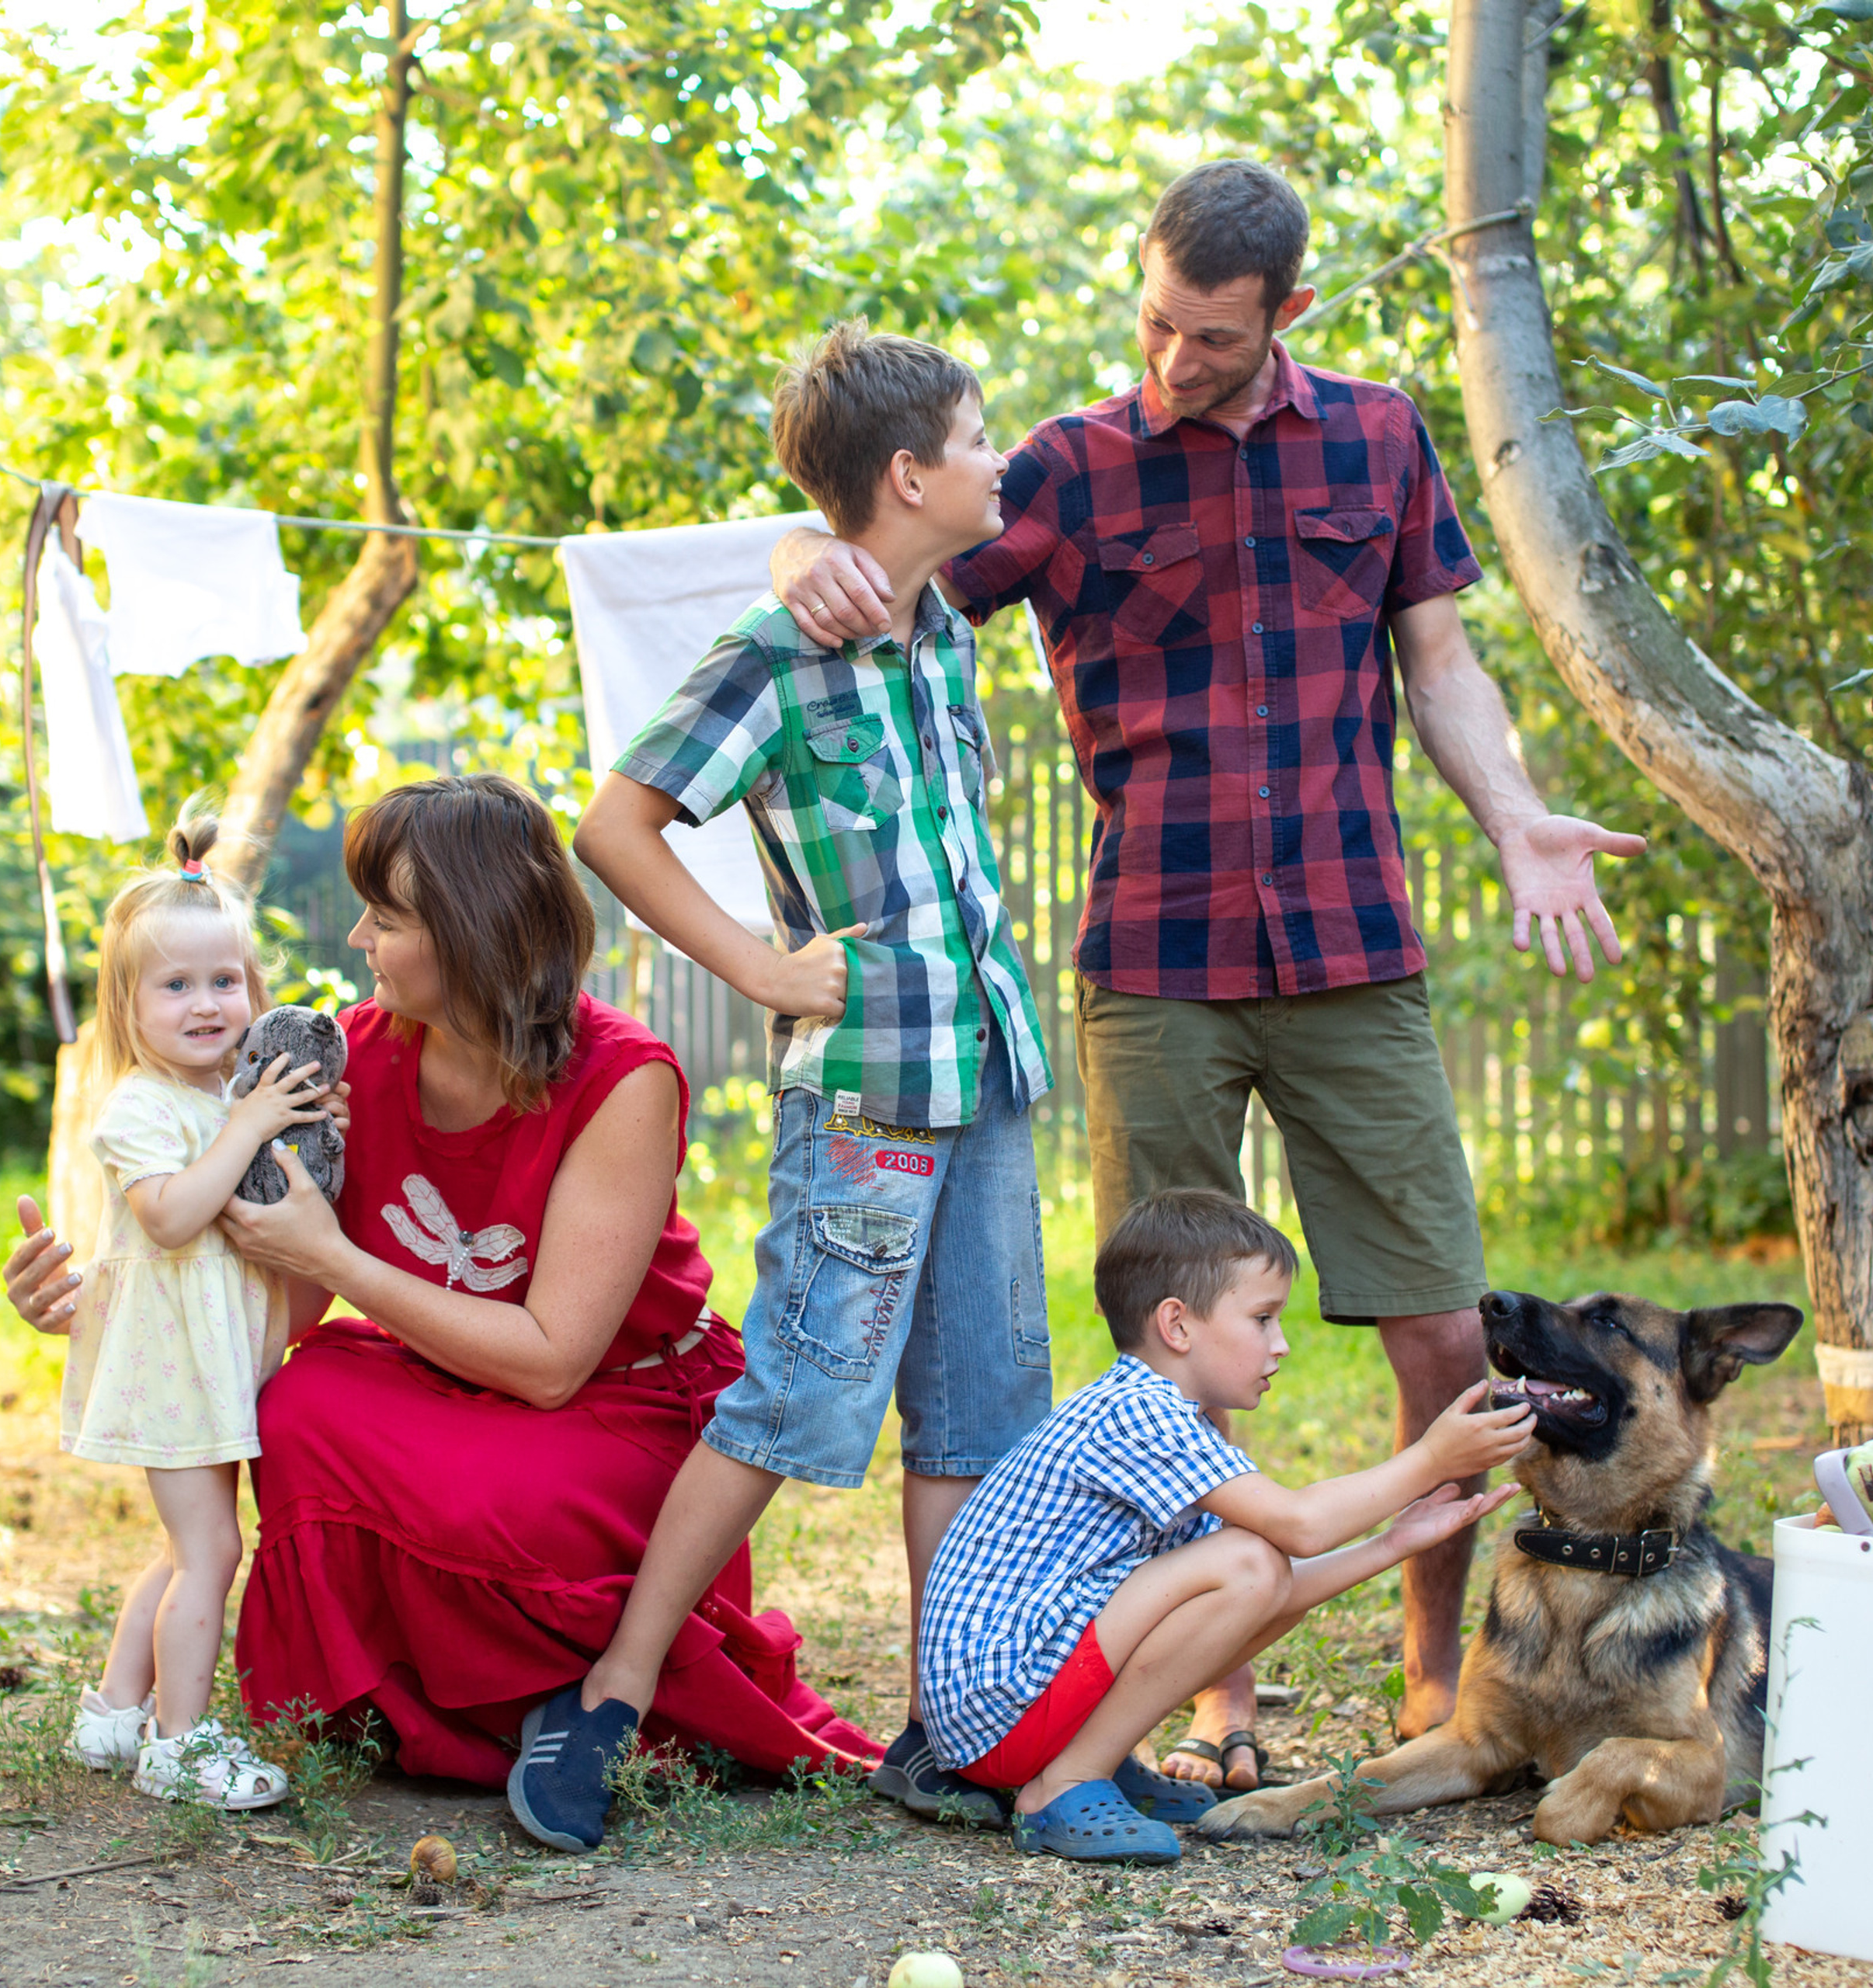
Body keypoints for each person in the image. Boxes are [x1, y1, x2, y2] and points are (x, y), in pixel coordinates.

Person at [770, 160, 1645, 1780]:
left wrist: (1518, 819)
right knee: (1180, 1344)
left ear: (1285, 317)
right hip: (1152, 959)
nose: (1173, 359)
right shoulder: (1068, 466)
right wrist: (791, 567)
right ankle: (1216, 1689)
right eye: (1157, 322)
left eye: (1212, 338)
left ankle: (1427, 1664)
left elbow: (1437, 664)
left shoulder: (1374, 436)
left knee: (1444, 1333)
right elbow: (883, 561)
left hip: (1347, 944)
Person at [5, 774, 872, 1792]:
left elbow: (553, 1365)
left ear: (470, 930)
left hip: (618, 1405)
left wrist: (335, 1257)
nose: (360, 942)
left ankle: (556, 1699)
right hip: (446, 1381)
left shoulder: (622, 1077)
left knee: (483, 1490)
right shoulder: (345, 1060)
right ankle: (405, 1699)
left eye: (387, 917)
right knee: (300, 1408)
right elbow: (276, 1308)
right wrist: (108, 1310)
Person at [544, 320, 1111, 1853]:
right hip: (860, 1088)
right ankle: (606, 1694)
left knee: (979, 1415)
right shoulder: (776, 649)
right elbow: (614, 825)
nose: (1004, 456)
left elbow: (964, 518)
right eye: (978, 435)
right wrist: (755, 962)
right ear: (913, 471)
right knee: (796, 1401)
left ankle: (951, 1727)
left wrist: (817, 535)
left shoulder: (942, 626)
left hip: (981, 1063)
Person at [917, 1189, 1532, 1864]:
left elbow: (1271, 1589)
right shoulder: (1139, 1414)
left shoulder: (1173, 1418)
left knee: (1252, 1569)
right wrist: (1430, 1459)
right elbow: (1296, 1529)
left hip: (1020, 1707)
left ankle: (1097, 1753)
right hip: (998, 1713)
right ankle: (1062, 1784)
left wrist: (1393, 1543)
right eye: (1263, 1319)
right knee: (1247, 1559)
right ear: (1177, 1326)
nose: (1282, 1344)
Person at [62, 810, 331, 1809]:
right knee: (213, 1551)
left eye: (226, 981)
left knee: (189, 1546)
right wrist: (250, 1120)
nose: (207, 1003)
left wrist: (291, 1120)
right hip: (168, 1362)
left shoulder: (228, 1094)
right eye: (175, 986)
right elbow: (172, 1217)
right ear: (127, 1008)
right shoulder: (140, 1105)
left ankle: (114, 1712)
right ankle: (178, 1744)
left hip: (215, 1359)